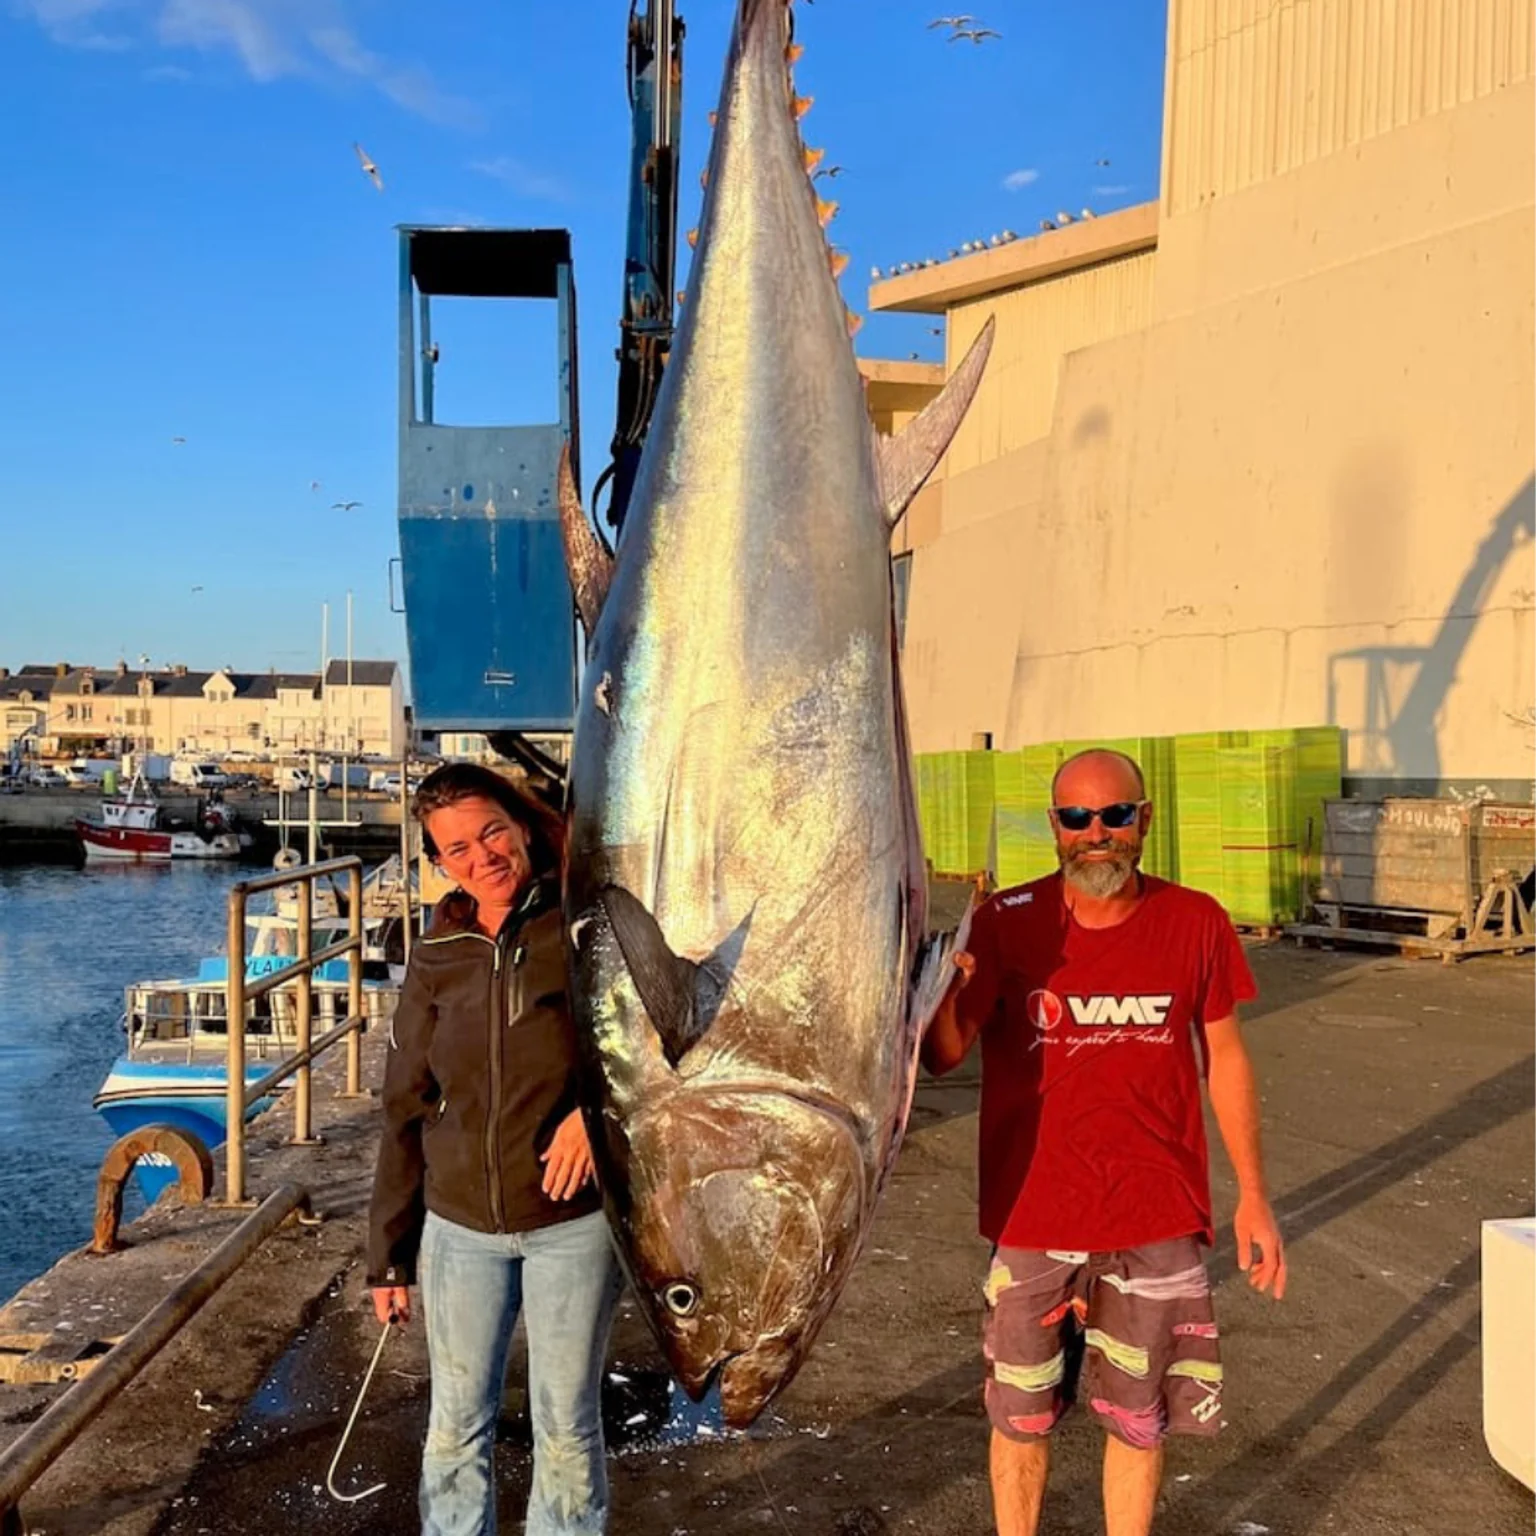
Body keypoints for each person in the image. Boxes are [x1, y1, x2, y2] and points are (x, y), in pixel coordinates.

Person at [923, 748, 1286, 1536]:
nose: (1097, 834)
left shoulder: (1196, 921)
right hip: (1034, 1215)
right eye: (1077, 818)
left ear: (1144, 819)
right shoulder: (1006, 920)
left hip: (1155, 1214)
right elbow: (943, 1054)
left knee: (1139, 1420)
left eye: (1115, 815)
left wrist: (1254, 1196)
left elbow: (1226, 1057)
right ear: (1054, 826)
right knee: (1021, 1418)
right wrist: (939, 988)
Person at [368, 762, 623, 1536]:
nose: (481, 856)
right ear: (439, 863)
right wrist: (388, 1255)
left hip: (571, 1225)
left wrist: (595, 1116)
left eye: (491, 833)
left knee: (566, 1429)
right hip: (459, 1231)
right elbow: (405, 1103)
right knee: (454, 1426)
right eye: (457, 848)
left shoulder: (586, 923)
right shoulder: (438, 950)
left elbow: (648, 1046)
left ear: (521, 826)